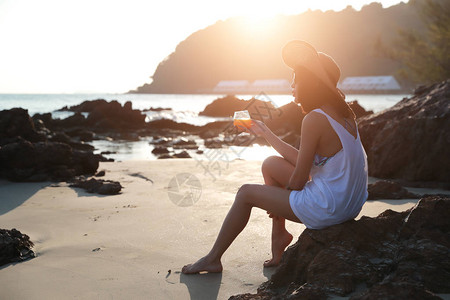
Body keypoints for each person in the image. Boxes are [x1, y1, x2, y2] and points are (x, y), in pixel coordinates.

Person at [182, 40, 368, 274]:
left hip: (329, 208)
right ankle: (278, 236)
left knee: (245, 193)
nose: (291, 85)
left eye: (296, 79)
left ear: (310, 82)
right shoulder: (345, 114)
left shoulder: (314, 119)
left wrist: (278, 201)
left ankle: (213, 258)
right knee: (270, 164)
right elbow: (310, 164)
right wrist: (264, 132)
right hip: (350, 204)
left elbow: (300, 180)